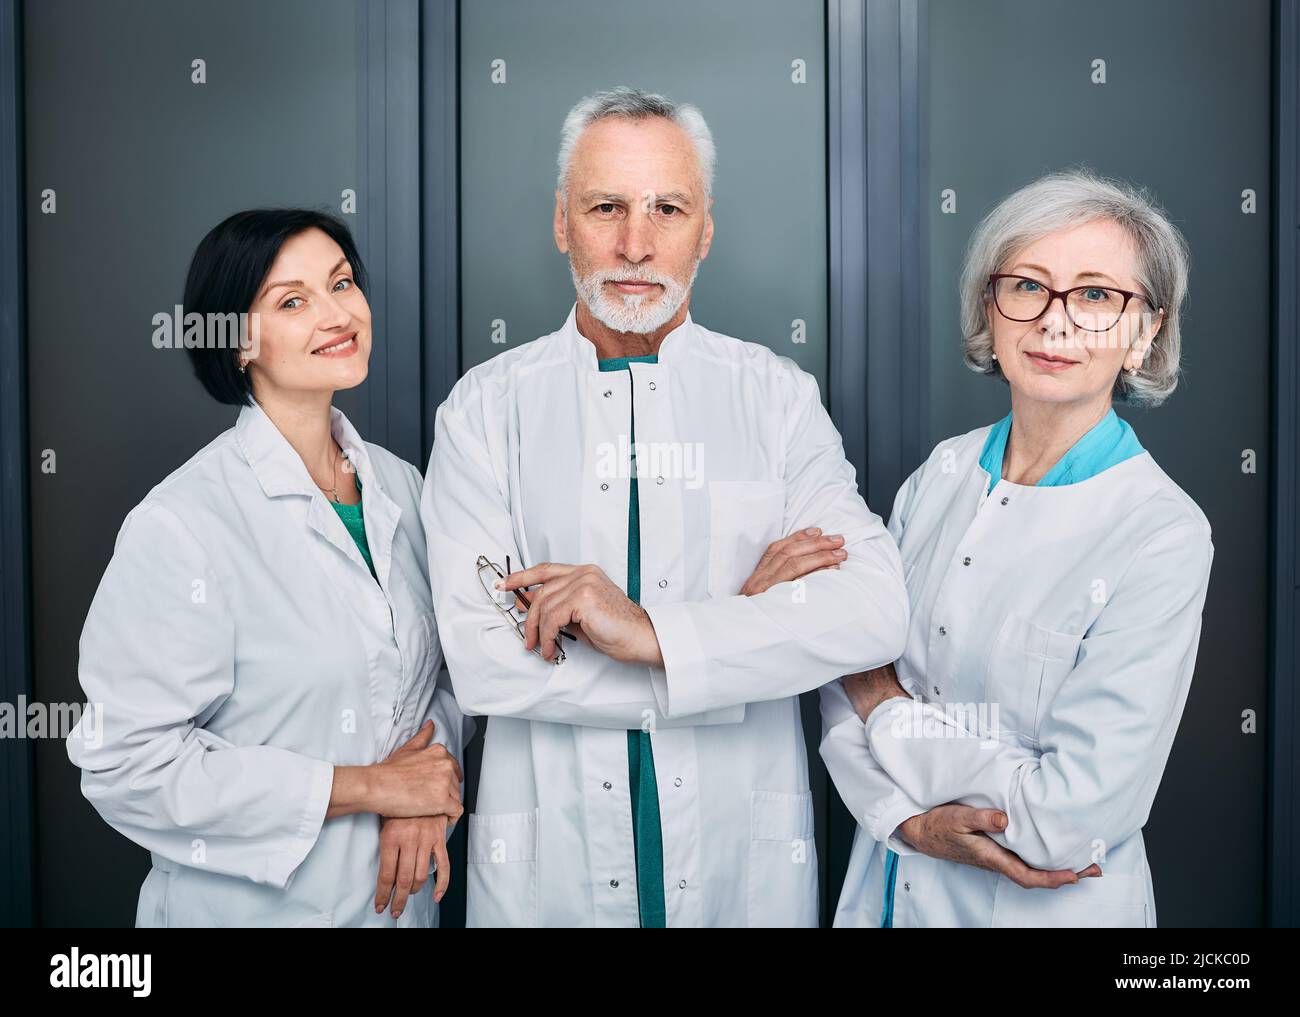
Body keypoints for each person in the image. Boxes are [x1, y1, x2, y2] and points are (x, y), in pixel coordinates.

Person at [422, 86, 909, 927]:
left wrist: (648, 633)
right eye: (605, 206)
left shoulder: (778, 399)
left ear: (706, 229)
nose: (636, 244)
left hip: (739, 868)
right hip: (550, 869)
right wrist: (737, 640)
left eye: (668, 209)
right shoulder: (484, 409)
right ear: (561, 223)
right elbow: (486, 662)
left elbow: (871, 612)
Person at [821, 169, 1213, 927]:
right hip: (885, 893)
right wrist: (904, 821)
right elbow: (839, 685)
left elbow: (1063, 820)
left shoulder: (1161, 532)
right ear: (990, 313)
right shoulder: (937, 476)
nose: (1055, 322)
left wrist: (886, 709)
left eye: (1097, 295)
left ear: (1146, 332)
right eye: (1027, 286)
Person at [67, 209, 471, 927]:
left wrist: (424, 789)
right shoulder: (184, 524)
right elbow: (123, 761)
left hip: (397, 908)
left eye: (341, 283)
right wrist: (368, 787)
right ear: (236, 340)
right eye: (292, 301)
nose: (336, 313)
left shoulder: (401, 486)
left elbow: (445, 674)